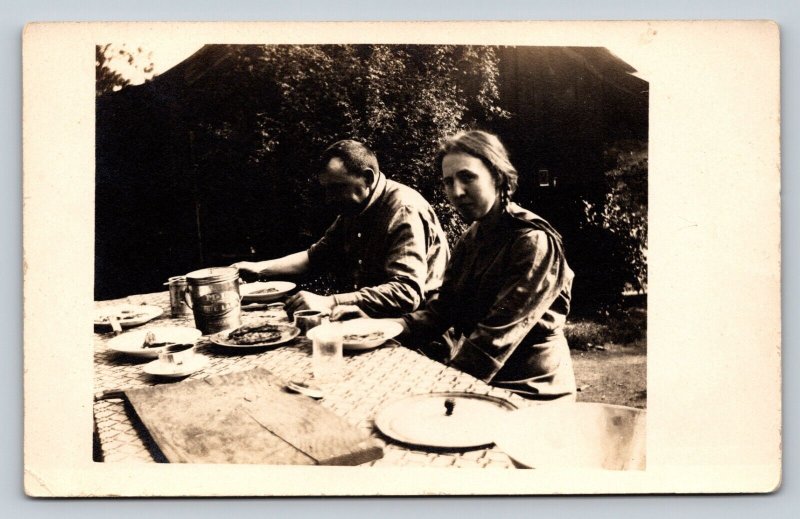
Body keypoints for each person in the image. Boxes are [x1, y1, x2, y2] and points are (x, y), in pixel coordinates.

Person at [333, 130, 577, 400]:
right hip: (485, 381)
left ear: (497, 176)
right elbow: (441, 312)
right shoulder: (472, 238)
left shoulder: (533, 242)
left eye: (467, 177)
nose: (457, 192)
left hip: (531, 391)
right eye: (448, 182)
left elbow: (493, 340)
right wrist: (376, 326)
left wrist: (439, 389)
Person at [232, 139, 449, 318]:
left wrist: (331, 302)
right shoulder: (354, 210)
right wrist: (257, 268)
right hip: (373, 321)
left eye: (337, 188)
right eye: (326, 190)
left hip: (420, 333)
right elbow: (315, 257)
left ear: (368, 178)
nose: (329, 199)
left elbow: (406, 292)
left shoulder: (403, 210)